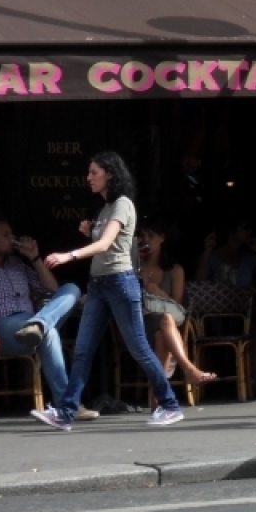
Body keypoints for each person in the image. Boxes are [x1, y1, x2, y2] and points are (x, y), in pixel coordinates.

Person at [33, 150, 184, 430]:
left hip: (119, 282)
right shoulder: (104, 210)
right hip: (100, 284)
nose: (88, 178)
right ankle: (66, 412)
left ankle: (170, 405)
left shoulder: (123, 204)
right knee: (82, 349)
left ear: (110, 174)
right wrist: (89, 232)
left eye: (94, 173)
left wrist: (69, 255)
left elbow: (105, 246)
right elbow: (106, 242)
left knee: (138, 347)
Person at [0, 214, 93, 418]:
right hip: (3, 328)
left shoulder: (17, 264)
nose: (12, 238)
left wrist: (35, 258)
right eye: (5, 235)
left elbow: (53, 289)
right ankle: (67, 406)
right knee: (49, 332)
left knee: (70, 289)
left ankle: (39, 324)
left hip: (31, 321)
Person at [137, 218, 216, 390]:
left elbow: (177, 305)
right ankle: (188, 369)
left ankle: (158, 397)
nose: (146, 241)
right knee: (163, 325)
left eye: (151, 236)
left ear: (162, 238)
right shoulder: (134, 268)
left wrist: (159, 292)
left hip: (166, 320)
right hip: (140, 321)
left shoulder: (174, 270)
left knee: (162, 329)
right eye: (142, 237)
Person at [195, 217, 256, 288]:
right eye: (245, 228)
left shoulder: (250, 258)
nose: (250, 231)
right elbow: (198, 285)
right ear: (232, 230)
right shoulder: (211, 257)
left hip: (242, 301)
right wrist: (207, 253)